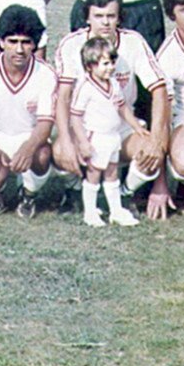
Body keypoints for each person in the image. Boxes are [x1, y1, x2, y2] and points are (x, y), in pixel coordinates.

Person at [53, 0, 171, 218]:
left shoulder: (133, 42)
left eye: (111, 16)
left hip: (122, 128)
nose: (105, 23)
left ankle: (125, 193)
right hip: (85, 129)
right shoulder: (71, 44)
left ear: (119, 18)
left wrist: (156, 137)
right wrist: (67, 140)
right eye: (98, 16)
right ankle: (76, 190)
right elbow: (63, 96)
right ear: (87, 17)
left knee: (150, 153)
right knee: (59, 152)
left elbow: (159, 88)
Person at [0, 5, 56, 218]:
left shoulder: (46, 73)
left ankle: (28, 194)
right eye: (12, 42)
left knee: (42, 155)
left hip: (28, 135)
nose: (19, 50)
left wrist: (29, 147)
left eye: (26, 42)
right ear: (1, 42)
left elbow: (45, 123)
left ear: (35, 44)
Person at [69, 37, 144, 228]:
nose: (110, 67)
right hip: (96, 137)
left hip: (113, 136)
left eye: (112, 62)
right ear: (90, 66)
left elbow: (123, 108)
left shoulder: (113, 83)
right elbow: (75, 117)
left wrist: (136, 127)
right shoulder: (85, 87)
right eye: (104, 63)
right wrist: (83, 142)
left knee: (112, 174)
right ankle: (90, 212)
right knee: (93, 175)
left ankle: (115, 210)